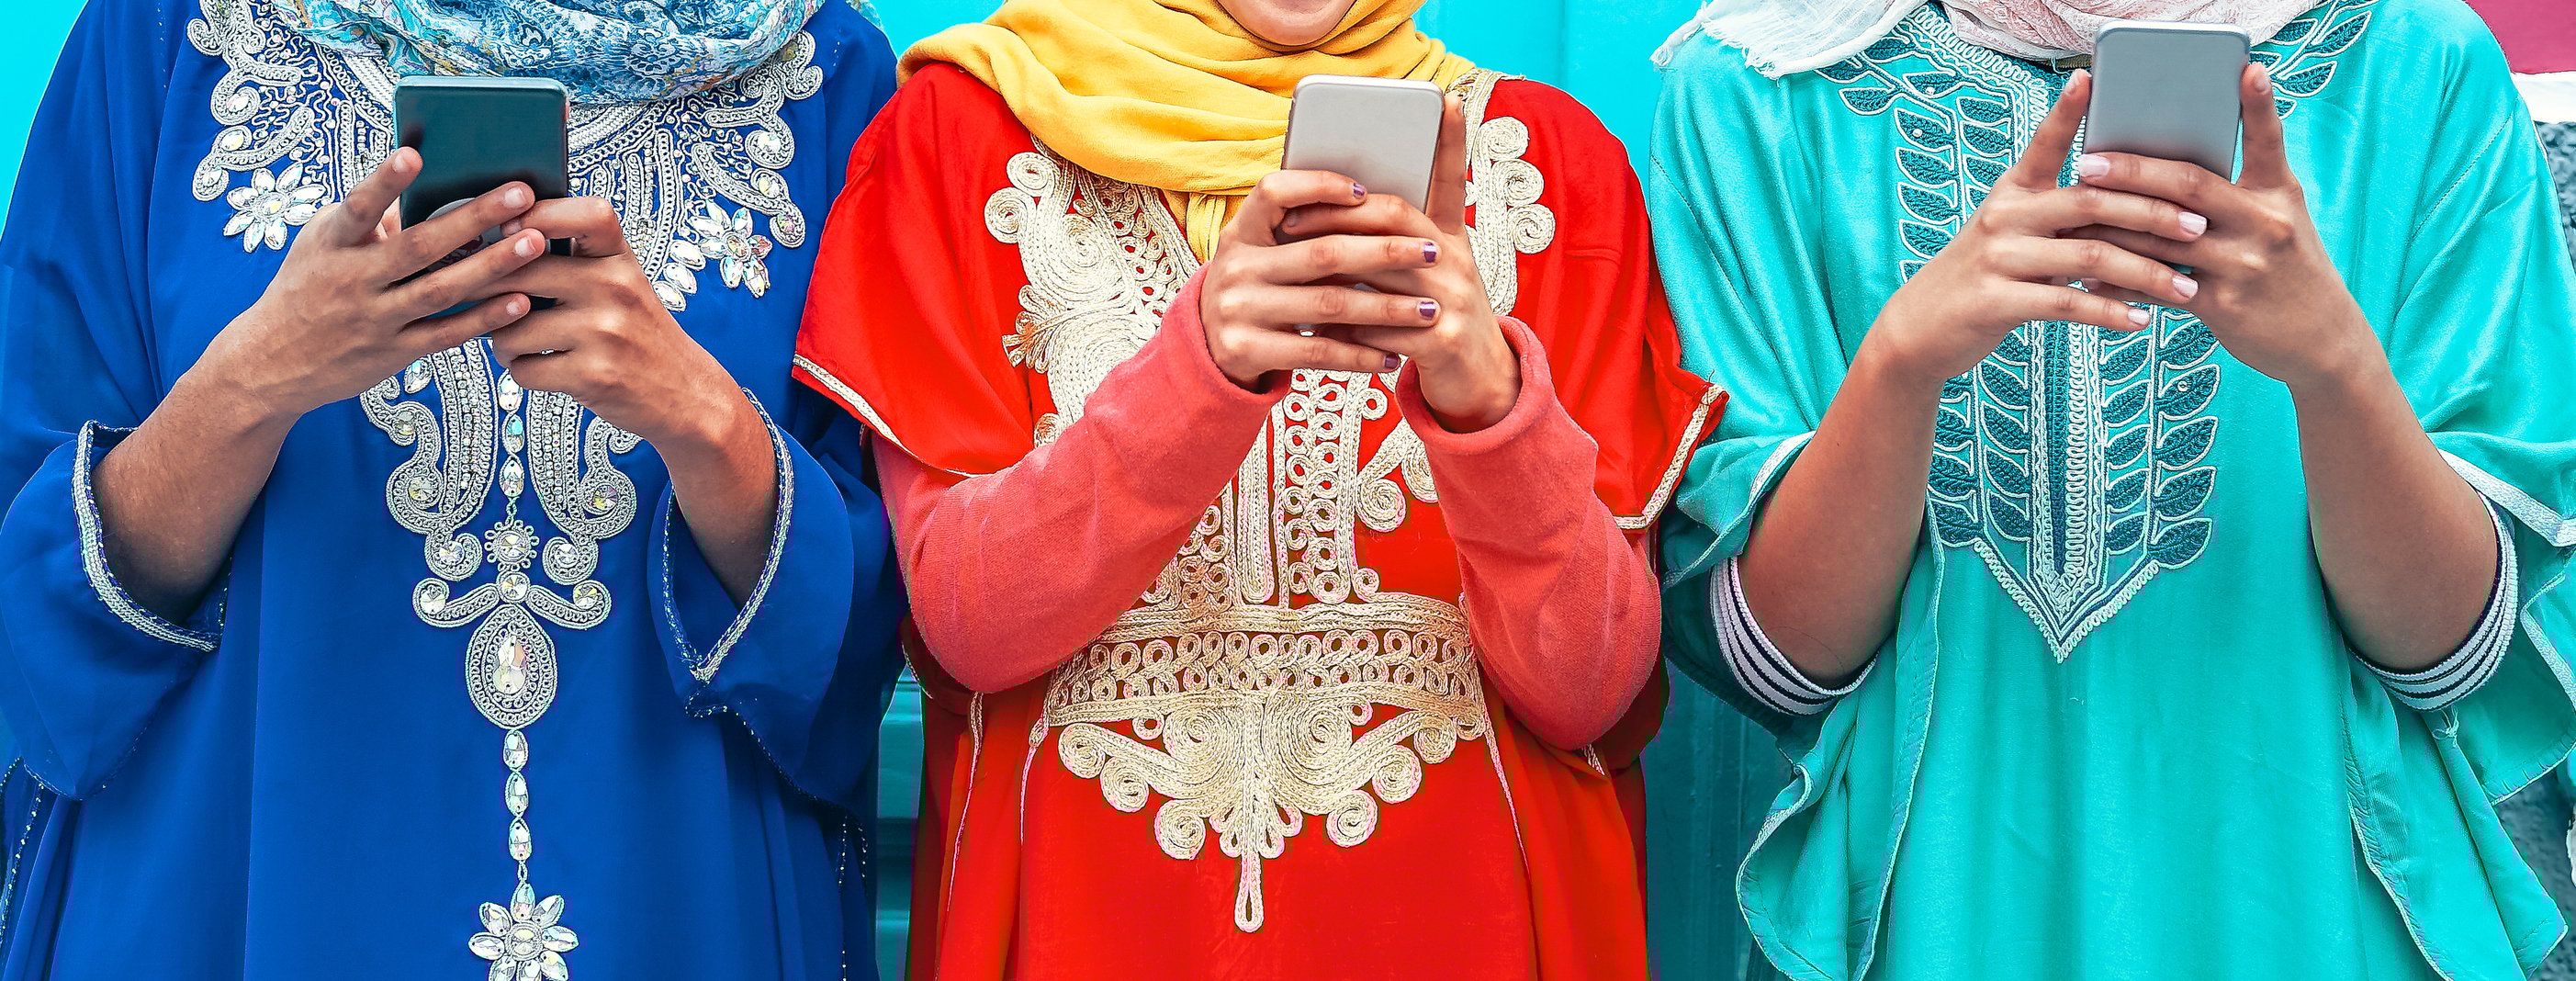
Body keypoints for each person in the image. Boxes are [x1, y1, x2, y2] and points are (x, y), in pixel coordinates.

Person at [1649, 0, 2576, 977]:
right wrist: (1898, 369)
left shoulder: (2414, 66)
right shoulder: (1761, 86)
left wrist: (2335, 366)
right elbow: (1779, 665)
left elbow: (2452, 655)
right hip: (1938, 912)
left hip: (2319, 907)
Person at [793, 0, 1719, 975]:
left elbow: (1591, 692)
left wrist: (1490, 405)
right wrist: (1198, 375)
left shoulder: (1554, 167)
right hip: (1091, 929)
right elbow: (970, 620)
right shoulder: (955, 137)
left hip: (1461, 927)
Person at [0, 1, 906, 978]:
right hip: (243, 896)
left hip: (671, 903)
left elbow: (861, 641)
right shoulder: (165, 35)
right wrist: (257, 378)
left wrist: (705, 418)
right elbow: (33, 606)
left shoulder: (820, 67)